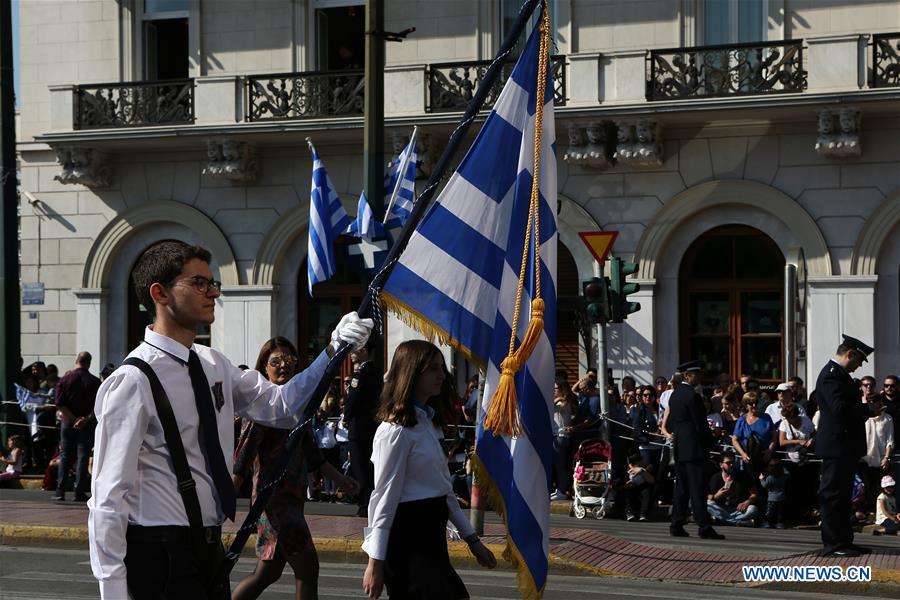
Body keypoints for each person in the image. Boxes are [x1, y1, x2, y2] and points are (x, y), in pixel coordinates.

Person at [87, 241, 373, 600]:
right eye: (199, 283)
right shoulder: (132, 380)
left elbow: (281, 405)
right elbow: (108, 496)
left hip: (207, 546)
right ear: (159, 293)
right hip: (159, 549)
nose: (212, 293)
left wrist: (333, 351)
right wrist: (113, 591)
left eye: (213, 283)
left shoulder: (213, 364)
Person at [362, 340, 496, 599]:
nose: (440, 375)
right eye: (432, 369)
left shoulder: (428, 422)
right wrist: (374, 562)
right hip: (406, 537)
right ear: (412, 372)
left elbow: (444, 491)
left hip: (431, 536)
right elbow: (383, 499)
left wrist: (473, 541)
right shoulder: (394, 431)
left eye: (441, 368)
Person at [232, 337, 358, 600]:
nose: (283, 366)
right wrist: (224, 500)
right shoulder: (261, 406)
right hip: (275, 502)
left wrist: (342, 480)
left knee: (267, 574)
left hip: (295, 498)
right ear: (264, 367)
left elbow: (313, 455)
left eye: (289, 360)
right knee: (308, 570)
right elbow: (242, 459)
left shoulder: (298, 408)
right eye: (275, 361)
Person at [815, 334, 873, 557]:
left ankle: (844, 540)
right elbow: (839, 409)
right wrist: (866, 410)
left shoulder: (840, 376)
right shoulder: (832, 376)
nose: (859, 366)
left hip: (844, 446)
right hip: (836, 446)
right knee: (832, 495)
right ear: (849, 354)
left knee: (843, 495)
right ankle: (832, 543)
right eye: (858, 360)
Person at [665, 360, 723, 539]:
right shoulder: (693, 396)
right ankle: (704, 526)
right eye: (696, 373)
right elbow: (700, 425)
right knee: (697, 488)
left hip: (680, 448)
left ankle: (677, 523)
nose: (699, 376)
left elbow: (675, 422)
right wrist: (712, 443)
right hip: (694, 448)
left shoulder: (674, 395)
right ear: (687, 376)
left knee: (681, 489)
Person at [53, 351, 101, 502]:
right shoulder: (94, 381)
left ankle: (60, 490)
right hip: (86, 425)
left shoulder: (65, 379)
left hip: (68, 423)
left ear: (76, 361)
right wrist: (84, 420)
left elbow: (59, 403)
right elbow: (98, 405)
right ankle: (78, 490)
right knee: (83, 456)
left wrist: (73, 419)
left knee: (65, 455)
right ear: (89, 362)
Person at [344, 339, 382, 518]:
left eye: (355, 350)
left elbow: (352, 398)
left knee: (360, 467)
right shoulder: (376, 371)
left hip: (358, 427)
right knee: (370, 467)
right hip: (371, 426)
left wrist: (346, 417)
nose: (351, 354)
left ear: (364, 351)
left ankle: (364, 505)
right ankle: (371, 503)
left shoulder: (361, 374)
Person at [706, 450, 759, 526]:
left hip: (738, 509)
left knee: (753, 509)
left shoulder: (743, 476)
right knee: (708, 504)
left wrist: (747, 502)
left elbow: (754, 494)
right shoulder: (715, 477)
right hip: (721, 508)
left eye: (733, 462)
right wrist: (716, 496)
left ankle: (723, 520)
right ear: (721, 464)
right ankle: (738, 522)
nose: (731, 465)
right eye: (728, 463)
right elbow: (707, 496)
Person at [731, 392, 775, 478]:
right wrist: (743, 454)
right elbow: (734, 439)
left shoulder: (766, 417)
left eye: (756, 402)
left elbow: (774, 435)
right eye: (751, 403)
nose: (754, 405)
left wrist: (770, 450)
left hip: (764, 458)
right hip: (749, 459)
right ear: (746, 405)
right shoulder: (741, 420)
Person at [862, 392, 893, 513]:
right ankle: (868, 511)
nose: (872, 404)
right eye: (870, 401)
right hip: (865, 458)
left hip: (881, 459)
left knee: (880, 487)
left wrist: (887, 458)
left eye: (875, 401)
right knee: (866, 487)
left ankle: (881, 513)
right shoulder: (863, 417)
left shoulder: (887, 418)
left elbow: (890, 440)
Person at [551, 378, 576, 501]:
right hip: (556, 436)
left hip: (562, 436)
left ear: (561, 390)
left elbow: (558, 406)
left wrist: (556, 399)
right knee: (556, 464)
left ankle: (562, 490)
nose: (554, 391)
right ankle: (559, 488)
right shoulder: (559, 401)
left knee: (561, 465)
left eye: (555, 389)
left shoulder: (564, 402)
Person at [624, 453, 655, 522]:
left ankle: (643, 514)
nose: (632, 466)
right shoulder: (627, 469)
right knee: (628, 491)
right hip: (632, 489)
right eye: (631, 464)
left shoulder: (648, 467)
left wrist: (642, 471)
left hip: (643, 488)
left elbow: (651, 481)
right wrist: (629, 482)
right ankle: (630, 513)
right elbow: (624, 484)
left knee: (647, 491)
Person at [759, 458, 788, 529]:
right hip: (781, 498)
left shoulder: (770, 478)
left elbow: (764, 485)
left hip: (771, 499)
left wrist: (761, 479)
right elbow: (787, 473)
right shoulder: (784, 477)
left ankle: (767, 523)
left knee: (769, 512)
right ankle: (780, 524)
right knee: (780, 512)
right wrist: (782, 467)